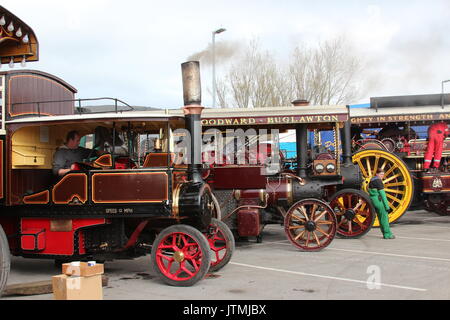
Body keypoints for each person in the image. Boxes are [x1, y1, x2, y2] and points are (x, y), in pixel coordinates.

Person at [368, 168, 395, 239]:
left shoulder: (372, 180)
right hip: (379, 201)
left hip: (373, 200)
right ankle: (387, 234)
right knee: (384, 218)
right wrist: (387, 206)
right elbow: (383, 195)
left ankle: (384, 233)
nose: (382, 176)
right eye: (381, 174)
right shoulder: (378, 181)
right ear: (377, 174)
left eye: (383, 174)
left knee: (380, 218)